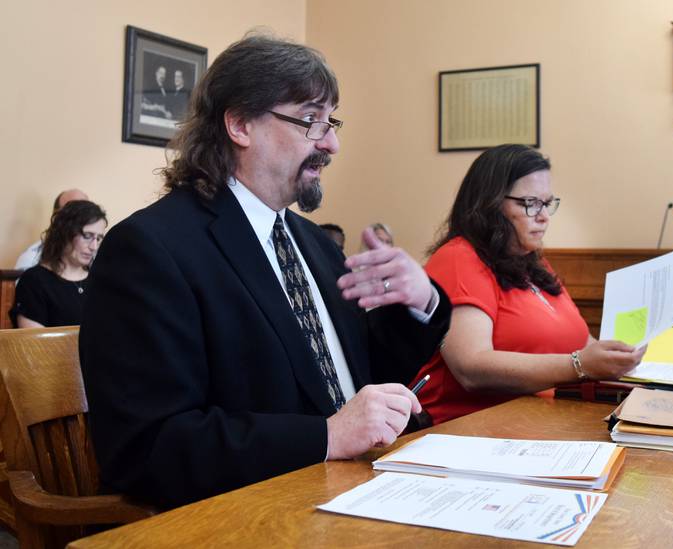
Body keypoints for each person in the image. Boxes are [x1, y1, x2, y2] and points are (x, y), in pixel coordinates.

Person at [79, 34, 451, 509]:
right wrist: (327, 436)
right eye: (311, 120)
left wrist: (420, 302)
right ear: (239, 124)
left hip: (361, 494)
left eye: (331, 121)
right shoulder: (150, 249)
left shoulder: (314, 244)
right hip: (254, 514)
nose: (332, 143)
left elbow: (364, 381)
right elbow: (149, 447)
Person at [408, 144, 645, 425]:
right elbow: (470, 367)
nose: (543, 216)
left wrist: (616, 358)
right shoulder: (459, 257)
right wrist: (580, 365)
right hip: (464, 428)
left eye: (547, 204)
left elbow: (583, 343)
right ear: (490, 203)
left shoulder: (533, 263)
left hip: (537, 421)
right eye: (530, 203)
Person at [10, 200, 106, 328]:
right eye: (87, 236)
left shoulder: (100, 279)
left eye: (99, 238)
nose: (94, 247)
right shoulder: (34, 281)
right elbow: (33, 344)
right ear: (64, 234)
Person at [15, 188, 89, 271]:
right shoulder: (31, 259)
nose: (81, 217)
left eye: (86, 211)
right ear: (56, 216)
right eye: (73, 211)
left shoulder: (96, 255)